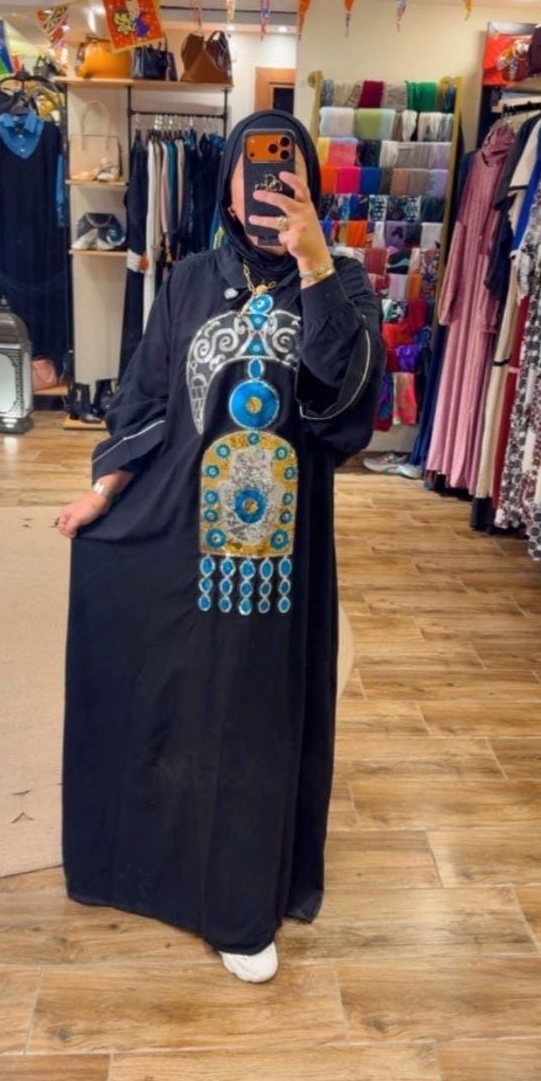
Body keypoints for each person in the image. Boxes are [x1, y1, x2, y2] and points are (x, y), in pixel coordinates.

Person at [58, 110, 384, 983]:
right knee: (173, 689)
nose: (269, 182)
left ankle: (238, 904)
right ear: (230, 190)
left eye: (286, 166)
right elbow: (148, 397)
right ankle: (152, 860)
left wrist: (314, 263)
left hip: (278, 555)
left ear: (309, 182)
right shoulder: (190, 280)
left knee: (252, 712)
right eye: (254, 168)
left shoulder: (344, 282)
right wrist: (104, 492)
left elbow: (346, 408)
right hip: (181, 526)